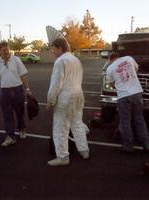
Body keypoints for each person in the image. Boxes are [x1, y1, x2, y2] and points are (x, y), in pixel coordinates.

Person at [46, 38, 89, 166]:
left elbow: (56, 84)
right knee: (77, 124)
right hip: (78, 95)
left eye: (53, 48)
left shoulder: (60, 61)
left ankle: (63, 157)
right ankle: (84, 150)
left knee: (60, 128)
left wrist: (50, 101)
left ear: (60, 48)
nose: (52, 51)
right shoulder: (76, 60)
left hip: (66, 97)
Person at [106, 52, 149, 153]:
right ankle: (146, 145)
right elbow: (136, 69)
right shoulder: (129, 58)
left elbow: (112, 84)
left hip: (124, 96)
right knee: (139, 120)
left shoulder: (110, 68)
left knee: (125, 122)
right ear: (119, 57)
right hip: (137, 93)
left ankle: (128, 147)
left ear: (110, 59)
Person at [0, 41, 31, 147]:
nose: (6, 51)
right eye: (3, 49)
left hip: (18, 90)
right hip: (5, 92)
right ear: (0, 51)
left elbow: (24, 75)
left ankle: (22, 129)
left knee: (20, 112)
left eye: (7, 48)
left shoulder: (16, 60)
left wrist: (27, 89)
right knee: (7, 115)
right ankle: (10, 136)